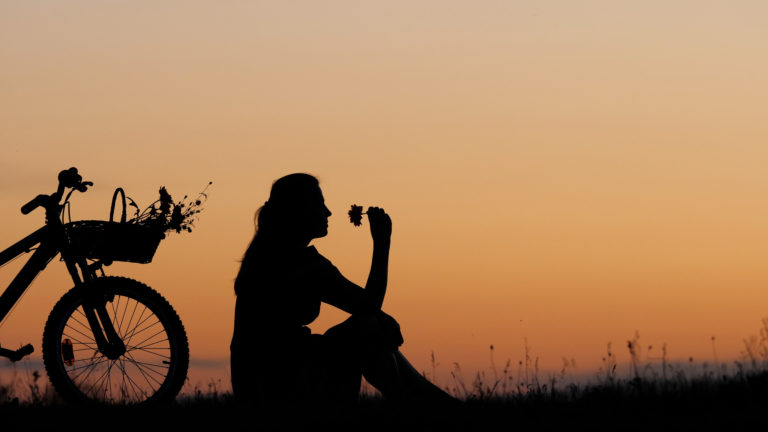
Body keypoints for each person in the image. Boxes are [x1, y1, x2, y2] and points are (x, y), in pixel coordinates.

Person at [230, 173, 454, 409]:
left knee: (370, 326)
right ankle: (430, 407)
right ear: (300, 211)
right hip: (283, 385)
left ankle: (431, 406)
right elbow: (369, 304)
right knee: (367, 327)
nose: (328, 213)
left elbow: (367, 307)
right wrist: (382, 242)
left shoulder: (265, 256)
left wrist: (377, 317)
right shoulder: (306, 266)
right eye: (320, 205)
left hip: (255, 386)